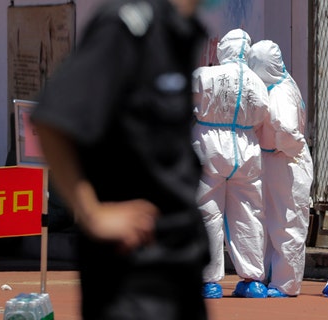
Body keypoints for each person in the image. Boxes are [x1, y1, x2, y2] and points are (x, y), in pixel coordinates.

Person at [30, 0, 211, 318]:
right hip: (134, 275)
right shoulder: (127, 27)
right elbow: (52, 118)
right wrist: (92, 214)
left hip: (181, 264)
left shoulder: (182, 33)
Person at [192, 28, 271, 298]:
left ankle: (209, 281)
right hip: (246, 148)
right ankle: (253, 281)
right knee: (249, 214)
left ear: (223, 49)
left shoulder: (204, 75)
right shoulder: (257, 82)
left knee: (207, 214)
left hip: (210, 148)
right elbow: (262, 112)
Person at [247, 40, 314, 298]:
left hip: (285, 161)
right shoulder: (281, 84)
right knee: (271, 221)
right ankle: (271, 277)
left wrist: (289, 148)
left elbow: (286, 129)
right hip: (279, 159)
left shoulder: (279, 93)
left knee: (286, 222)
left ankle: (286, 283)